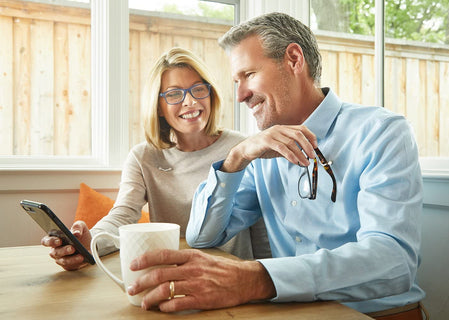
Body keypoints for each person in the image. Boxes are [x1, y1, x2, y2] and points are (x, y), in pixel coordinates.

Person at [126, 12, 426, 319]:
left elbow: (393, 261)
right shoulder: (261, 154)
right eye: (236, 81)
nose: (240, 94)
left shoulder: (381, 133)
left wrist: (255, 279)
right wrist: (235, 159)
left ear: (294, 60)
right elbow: (203, 237)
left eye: (249, 75)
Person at [41, 47, 271, 271]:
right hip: (169, 273)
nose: (190, 101)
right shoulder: (144, 157)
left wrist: (266, 284)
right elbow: (124, 214)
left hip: (231, 277)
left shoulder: (242, 148)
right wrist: (89, 243)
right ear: (158, 107)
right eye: (173, 94)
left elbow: (261, 228)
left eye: (198, 89)